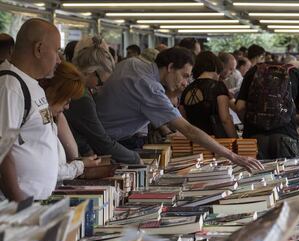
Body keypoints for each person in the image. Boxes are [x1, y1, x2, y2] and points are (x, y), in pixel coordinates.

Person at [95, 47, 262, 171]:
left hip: (99, 132)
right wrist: (233, 156)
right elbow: (188, 130)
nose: (185, 82)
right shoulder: (150, 88)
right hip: (107, 141)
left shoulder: (133, 64)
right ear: (170, 67)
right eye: (184, 75)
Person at [0, 19, 61, 201]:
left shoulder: (31, 84)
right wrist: (20, 205)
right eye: (57, 51)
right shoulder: (10, 86)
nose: (59, 59)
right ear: (39, 49)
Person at [65, 36, 141, 164]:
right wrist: (135, 158)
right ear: (90, 71)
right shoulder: (81, 96)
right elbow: (102, 142)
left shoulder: (73, 87)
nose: (99, 88)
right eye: (100, 82)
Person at [236, 60, 299, 159]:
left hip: (253, 139)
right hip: (285, 138)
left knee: (255, 173)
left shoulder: (253, 72)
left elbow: (240, 107)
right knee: (285, 173)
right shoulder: (295, 73)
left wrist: (249, 122)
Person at [43, 61, 101, 181]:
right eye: (66, 100)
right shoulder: (42, 116)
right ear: (54, 93)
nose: (67, 107)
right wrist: (80, 165)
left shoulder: (48, 117)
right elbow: (50, 170)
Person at [180, 51, 237, 138]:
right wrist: (236, 139)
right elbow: (225, 119)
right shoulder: (218, 87)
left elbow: (183, 119)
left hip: (195, 141)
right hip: (216, 142)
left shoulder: (186, 90)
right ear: (216, 66)